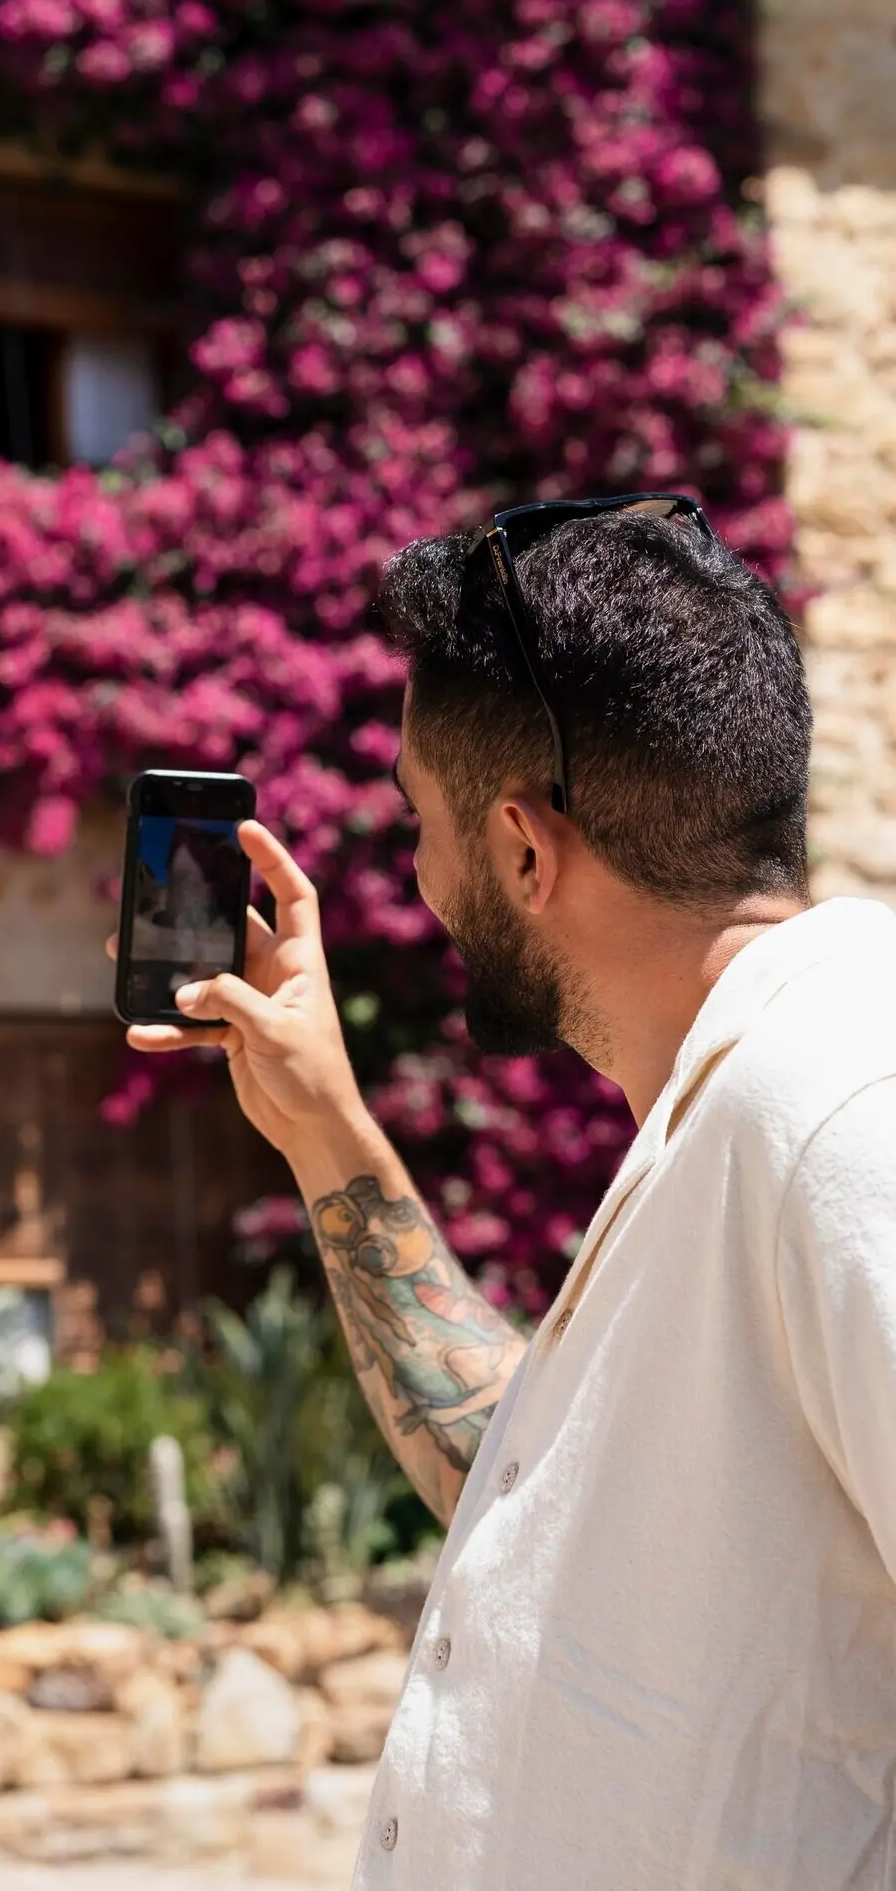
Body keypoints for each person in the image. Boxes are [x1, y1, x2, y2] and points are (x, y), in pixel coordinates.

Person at [116, 494, 896, 1890]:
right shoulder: (735, 1117)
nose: (417, 877)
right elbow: (520, 1481)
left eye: (424, 824)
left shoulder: (840, 1105)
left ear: (527, 854)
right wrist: (326, 1135)